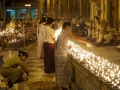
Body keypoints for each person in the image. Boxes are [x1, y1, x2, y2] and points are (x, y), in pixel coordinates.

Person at [54, 22, 92, 90]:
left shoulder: (61, 32)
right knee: (62, 70)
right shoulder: (67, 31)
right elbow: (77, 38)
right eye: (70, 27)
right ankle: (63, 86)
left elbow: (59, 43)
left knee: (59, 69)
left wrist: (66, 46)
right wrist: (87, 42)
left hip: (57, 53)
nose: (70, 28)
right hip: (61, 54)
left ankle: (59, 85)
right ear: (67, 27)